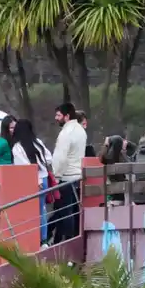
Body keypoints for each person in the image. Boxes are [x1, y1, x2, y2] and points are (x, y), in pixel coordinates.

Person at [48, 102, 88, 244]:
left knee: (64, 213)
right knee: (72, 212)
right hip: (78, 177)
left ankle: (66, 242)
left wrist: (56, 177)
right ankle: (64, 240)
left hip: (66, 178)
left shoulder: (66, 133)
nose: (56, 118)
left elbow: (60, 158)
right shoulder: (81, 131)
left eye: (58, 115)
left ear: (67, 116)